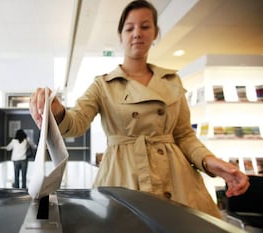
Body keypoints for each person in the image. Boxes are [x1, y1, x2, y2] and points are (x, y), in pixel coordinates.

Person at [29, 0, 249, 218]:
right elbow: (76, 122)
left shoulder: (171, 80)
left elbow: (184, 135)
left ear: (155, 34)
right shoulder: (103, 85)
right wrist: (56, 110)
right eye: (129, 28)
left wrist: (212, 163)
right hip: (123, 176)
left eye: (145, 26)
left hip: (176, 179)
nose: (137, 33)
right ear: (121, 36)